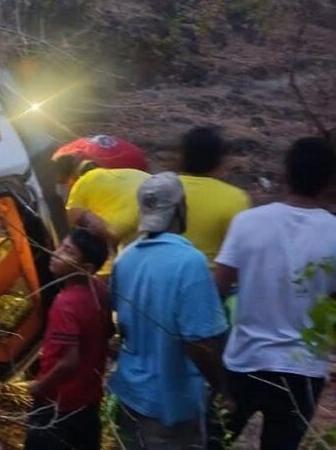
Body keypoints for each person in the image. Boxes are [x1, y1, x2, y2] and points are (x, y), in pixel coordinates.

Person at [211, 137, 336, 450]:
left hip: (244, 361)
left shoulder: (248, 223)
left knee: (211, 442)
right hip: (303, 369)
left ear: (284, 174)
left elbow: (217, 291)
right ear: (329, 182)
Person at [109, 172, 230, 449]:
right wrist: (222, 388)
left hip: (128, 395)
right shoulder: (190, 263)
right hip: (169, 407)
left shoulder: (125, 258)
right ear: (180, 208)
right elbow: (200, 344)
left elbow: (121, 326)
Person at [25, 228, 110, 450]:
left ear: (86, 268)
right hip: (88, 401)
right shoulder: (98, 289)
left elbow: (69, 362)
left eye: (68, 251)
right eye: (61, 246)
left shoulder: (65, 303)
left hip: (58, 405)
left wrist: (40, 386)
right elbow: (106, 332)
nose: (55, 253)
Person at [58, 162, 149, 278]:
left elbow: (73, 217)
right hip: (158, 210)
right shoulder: (122, 174)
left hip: (126, 224)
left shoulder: (85, 180)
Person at [177, 126, 250, 265]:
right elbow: (238, 252)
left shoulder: (159, 188)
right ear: (219, 161)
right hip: (208, 279)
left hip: (158, 274)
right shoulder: (235, 198)